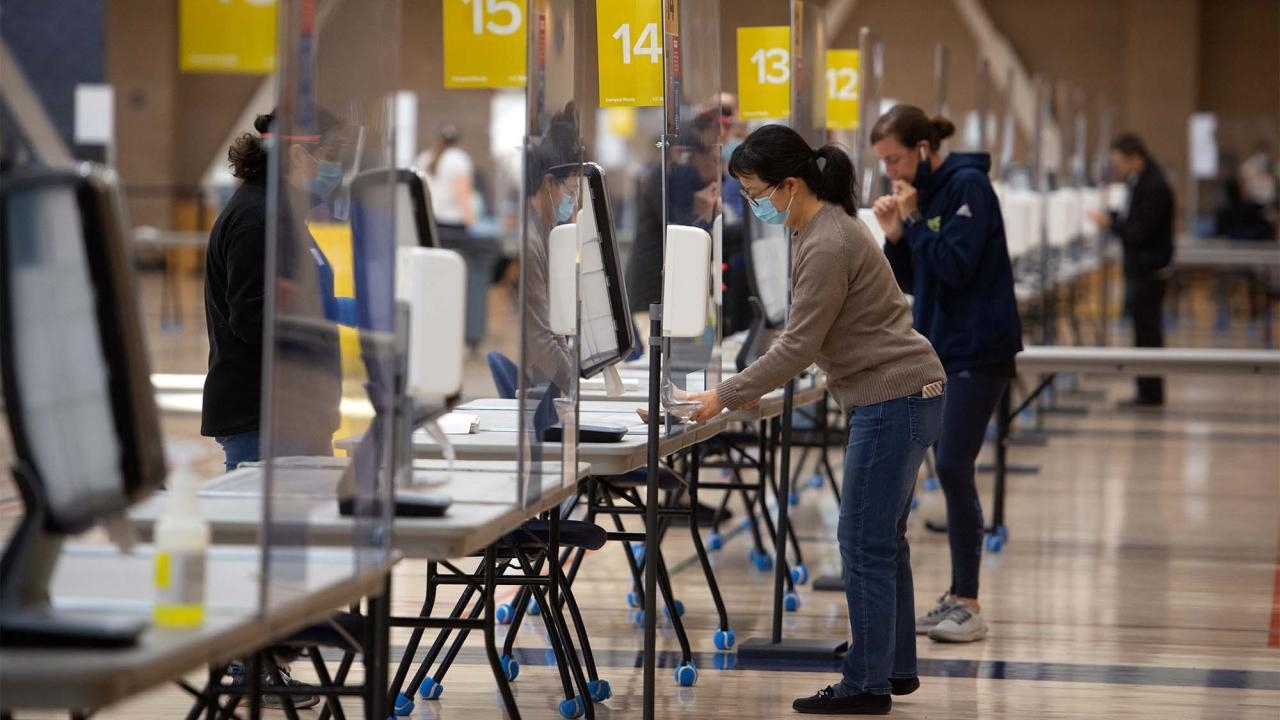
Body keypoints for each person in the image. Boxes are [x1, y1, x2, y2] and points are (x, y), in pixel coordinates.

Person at [686, 125, 947, 715]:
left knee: (861, 544)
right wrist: (754, 383)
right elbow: (809, 335)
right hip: (910, 393)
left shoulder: (826, 238)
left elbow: (800, 345)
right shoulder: (822, 227)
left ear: (789, 184)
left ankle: (864, 686)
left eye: (755, 192)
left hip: (892, 400)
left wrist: (724, 394)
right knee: (884, 543)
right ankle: (892, 668)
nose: (752, 204)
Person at [201, 108, 353, 707]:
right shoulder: (259, 218)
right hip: (263, 417)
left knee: (284, 556)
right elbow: (255, 315)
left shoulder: (281, 215)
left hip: (292, 415)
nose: (332, 170)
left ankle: (266, 665)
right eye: (327, 156)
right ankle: (250, 669)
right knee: (264, 554)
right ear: (296, 154)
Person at [869, 105, 1023, 644]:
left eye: (895, 159)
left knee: (955, 465)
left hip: (978, 348)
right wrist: (895, 235)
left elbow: (958, 265)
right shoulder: (926, 197)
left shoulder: (967, 187)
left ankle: (969, 601)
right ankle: (958, 596)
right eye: (883, 163)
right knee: (950, 468)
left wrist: (911, 222)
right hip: (942, 348)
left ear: (923, 150)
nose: (891, 172)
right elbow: (917, 278)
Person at [1088, 133, 1174, 407]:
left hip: (1149, 269)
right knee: (1144, 333)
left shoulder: (1153, 186)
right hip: (1146, 267)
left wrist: (1110, 224)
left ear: (1134, 158)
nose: (1116, 168)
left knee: (1148, 334)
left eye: (1118, 162)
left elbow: (1139, 232)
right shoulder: (1145, 183)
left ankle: (1151, 393)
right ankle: (1147, 390)